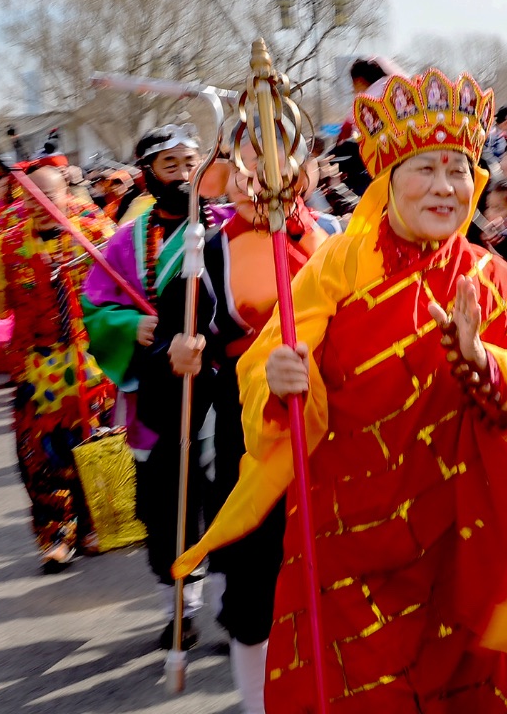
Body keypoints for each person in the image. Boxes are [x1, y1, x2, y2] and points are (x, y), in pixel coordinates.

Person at [171, 69, 507, 713]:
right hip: (351, 539)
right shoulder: (338, 266)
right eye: (426, 168)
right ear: (388, 179)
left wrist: (484, 364)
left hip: (463, 537)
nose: (446, 186)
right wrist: (282, 380)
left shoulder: (493, 277)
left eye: (458, 169)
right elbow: (267, 371)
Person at [153, 126, 329, 713]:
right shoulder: (208, 251)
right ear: (228, 173)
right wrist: (180, 354)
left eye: (279, 160)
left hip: (335, 428)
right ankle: (258, 703)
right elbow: (177, 337)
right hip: (250, 432)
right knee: (256, 581)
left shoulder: (336, 236)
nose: (264, 177)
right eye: (249, 163)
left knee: (339, 570)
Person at [81, 123, 224, 650]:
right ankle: (180, 608)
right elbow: (96, 307)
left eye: (192, 163)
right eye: (171, 165)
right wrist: (129, 325)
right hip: (155, 394)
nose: (185, 175)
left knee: (223, 495)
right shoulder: (128, 241)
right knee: (166, 507)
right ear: (147, 173)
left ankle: (234, 610)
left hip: (220, 386)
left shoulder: (225, 227)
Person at [0, 162, 116, 571]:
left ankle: (92, 526)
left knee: (93, 447)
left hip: (91, 364)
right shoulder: (7, 243)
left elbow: (123, 283)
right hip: (37, 367)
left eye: (47, 197)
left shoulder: (96, 231)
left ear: (66, 195)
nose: (38, 206)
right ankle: (57, 534)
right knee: (40, 459)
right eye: (30, 198)